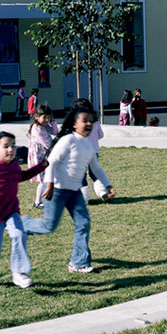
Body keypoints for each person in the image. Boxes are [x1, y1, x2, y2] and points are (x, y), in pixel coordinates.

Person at [22, 106, 115, 274]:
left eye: (90, 121)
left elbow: (97, 168)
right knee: (48, 226)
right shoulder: (67, 141)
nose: (88, 124)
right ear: (74, 124)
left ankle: (78, 263)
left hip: (74, 192)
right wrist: (49, 185)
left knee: (83, 223)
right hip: (56, 190)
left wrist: (108, 185)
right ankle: (20, 225)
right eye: (84, 121)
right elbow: (51, 161)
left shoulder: (88, 145)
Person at [0, 131, 48, 287]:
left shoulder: (14, 164)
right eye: (6, 146)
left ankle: (18, 273)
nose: (10, 150)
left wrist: (41, 167)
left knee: (19, 234)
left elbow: (21, 176)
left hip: (11, 212)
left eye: (13, 146)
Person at [27, 104, 58, 209]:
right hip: (40, 157)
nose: (47, 119)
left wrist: (52, 121)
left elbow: (55, 132)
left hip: (44, 155)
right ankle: (37, 202)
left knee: (47, 178)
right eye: (44, 117)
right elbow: (48, 143)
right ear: (36, 117)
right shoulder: (38, 129)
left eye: (48, 117)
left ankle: (44, 199)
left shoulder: (44, 126)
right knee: (44, 179)